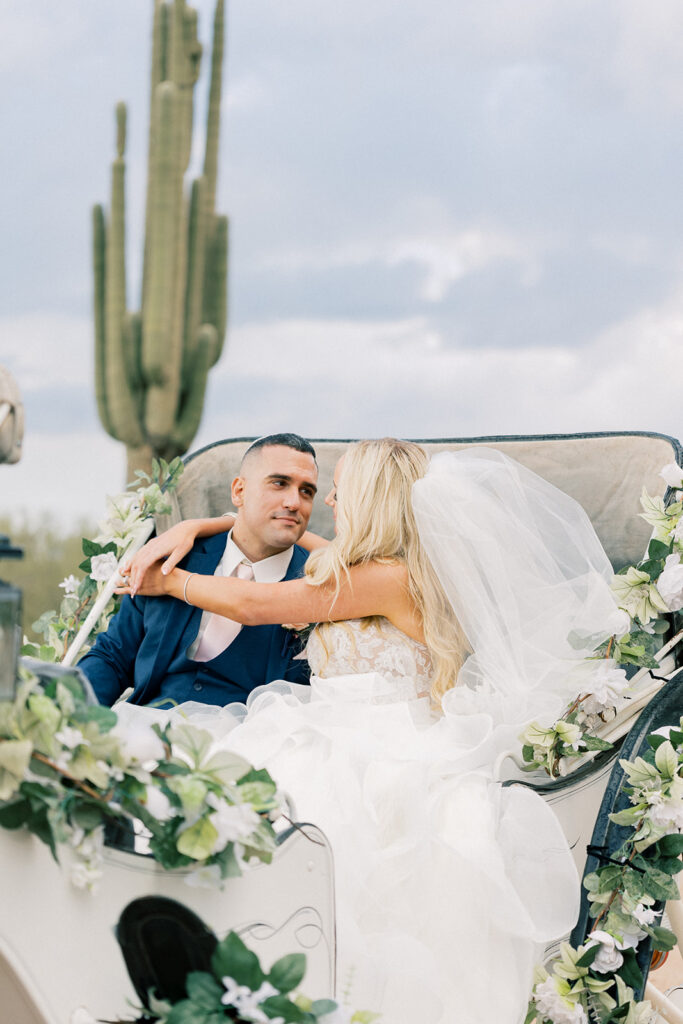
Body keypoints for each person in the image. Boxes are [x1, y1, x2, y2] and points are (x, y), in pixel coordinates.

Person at [119, 439, 626, 1024]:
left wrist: (169, 581)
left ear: (372, 498)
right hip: (353, 726)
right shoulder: (390, 569)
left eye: (339, 488)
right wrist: (199, 527)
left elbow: (257, 604)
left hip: (377, 746)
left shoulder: (387, 578)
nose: (328, 498)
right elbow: (308, 546)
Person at [79, 433, 319, 707]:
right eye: (279, 483)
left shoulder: (320, 581)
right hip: (150, 727)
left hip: (251, 741)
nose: (294, 502)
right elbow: (113, 656)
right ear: (239, 491)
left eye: (306, 491)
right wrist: (76, 716)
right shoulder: (173, 557)